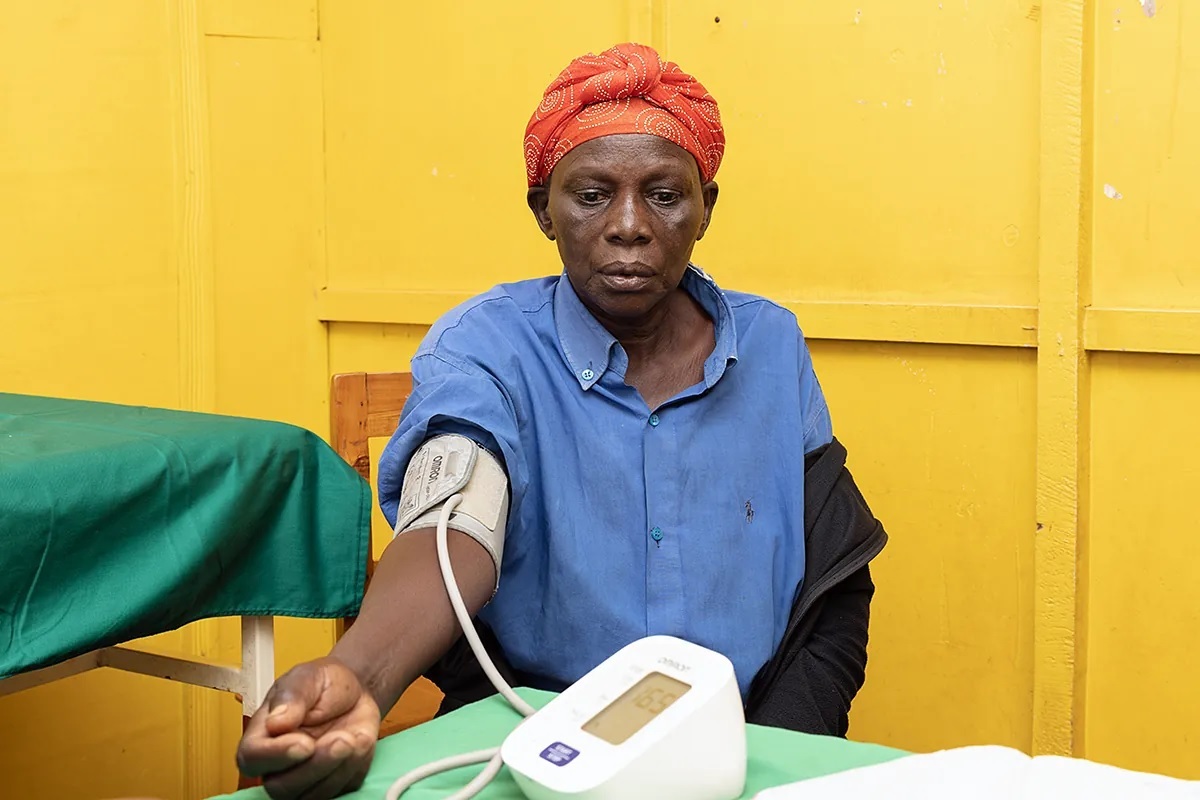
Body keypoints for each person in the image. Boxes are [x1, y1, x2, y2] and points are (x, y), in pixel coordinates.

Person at [236, 42, 888, 800]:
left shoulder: (772, 345)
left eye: (665, 195)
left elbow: (837, 582)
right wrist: (362, 675)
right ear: (542, 210)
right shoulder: (485, 347)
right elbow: (453, 527)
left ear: (708, 207)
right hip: (535, 743)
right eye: (591, 195)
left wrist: (772, 754)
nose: (629, 226)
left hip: (748, 740)